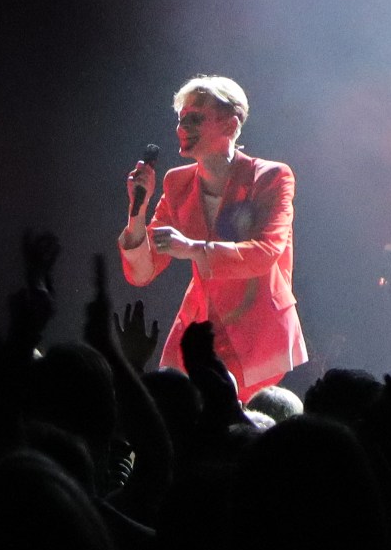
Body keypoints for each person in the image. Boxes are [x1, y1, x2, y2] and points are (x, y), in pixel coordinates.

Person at [117, 75, 304, 401]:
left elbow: (265, 253)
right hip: (201, 326)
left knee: (236, 421)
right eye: (181, 120)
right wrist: (139, 210)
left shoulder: (270, 177)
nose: (182, 128)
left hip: (257, 329)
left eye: (194, 119)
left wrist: (192, 248)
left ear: (230, 125)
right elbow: (142, 272)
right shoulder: (177, 183)